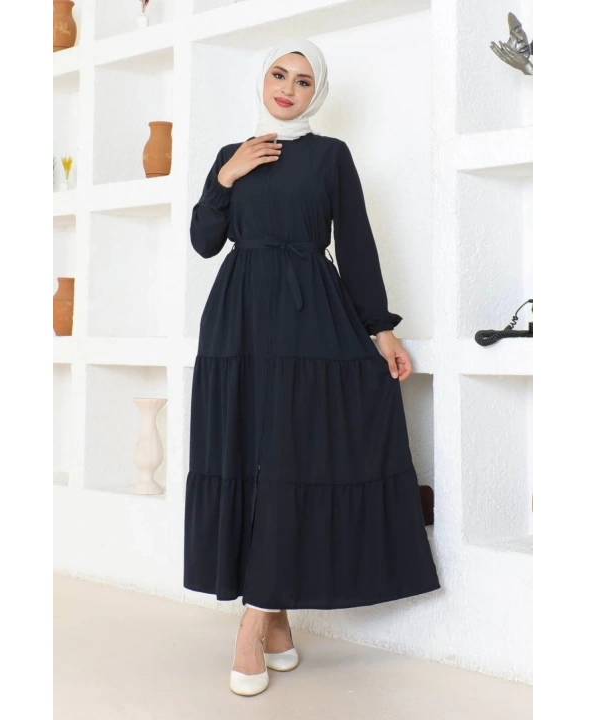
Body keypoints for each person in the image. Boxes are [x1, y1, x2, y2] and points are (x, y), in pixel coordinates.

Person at [184, 38, 441, 696]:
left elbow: (354, 242)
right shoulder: (231, 155)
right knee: (251, 459)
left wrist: (381, 329)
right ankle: (275, 623)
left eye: (303, 81)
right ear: (263, 79)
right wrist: (225, 177)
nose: (288, 88)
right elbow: (205, 242)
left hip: (309, 314)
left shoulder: (331, 155)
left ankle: (253, 623)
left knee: (298, 458)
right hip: (240, 319)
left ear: (316, 93)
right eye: (279, 74)